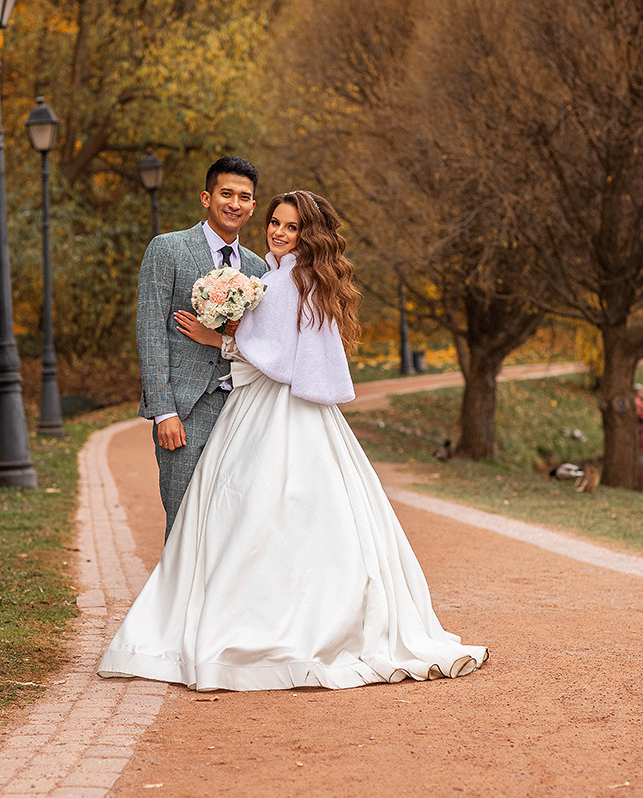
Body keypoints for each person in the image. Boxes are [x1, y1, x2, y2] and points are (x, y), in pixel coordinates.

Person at [99, 190, 488, 691]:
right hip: (282, 409)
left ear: (309, 235)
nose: (279, 233)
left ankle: (258, 621)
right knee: (298, 513)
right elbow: (283, 347)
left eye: (291, 227)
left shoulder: (286, 281)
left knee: (256, 513)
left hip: (270, 409)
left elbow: (279, 358)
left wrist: (218, 339)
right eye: (276, 224)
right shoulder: (290, 277)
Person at [136, 155, 267, 541]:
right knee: (184, 522)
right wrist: (164, 412)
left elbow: (260, 344)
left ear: (253, 206)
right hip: (186, 410)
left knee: (234, 524)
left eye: (244, 197)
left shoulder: (259, 269)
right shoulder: (168, 249)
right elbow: (150, 332)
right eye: (226, 193)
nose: (235, 204)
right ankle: (179, 601)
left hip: (243, 410)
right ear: (206, 198)